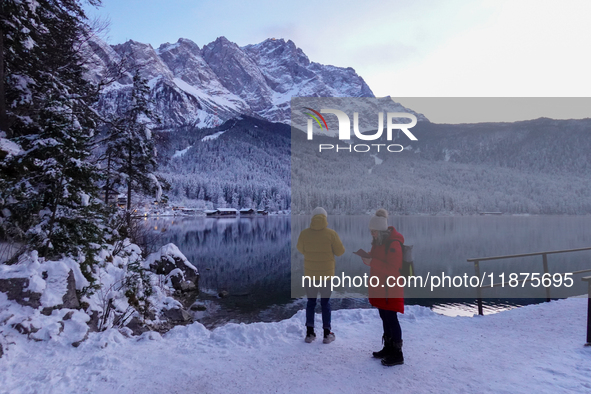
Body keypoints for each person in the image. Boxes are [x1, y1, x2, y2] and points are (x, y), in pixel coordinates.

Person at [361, 208, 405, 366]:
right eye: (371, 231)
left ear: (380, 230)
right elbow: (379, 260)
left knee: (391, 319)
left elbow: (393, 270)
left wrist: (372, 262)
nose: (372, 234)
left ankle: (398, 353)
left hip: (390, 289)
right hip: (380, 288)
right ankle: (388, 347)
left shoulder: (394, 244)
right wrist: (368, 257)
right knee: (384, 317)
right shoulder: (378, 242)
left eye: (374, 231)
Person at [296, 207, 345, 344]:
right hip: (327, 276)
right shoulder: (331, 234)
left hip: (310, 275)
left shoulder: (304, 234)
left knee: (311, 303)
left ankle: (310, 333)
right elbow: (340, 251)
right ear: (325, 218)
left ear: (312, 218)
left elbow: (300, 249)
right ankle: (326, 334)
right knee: (325, 303)